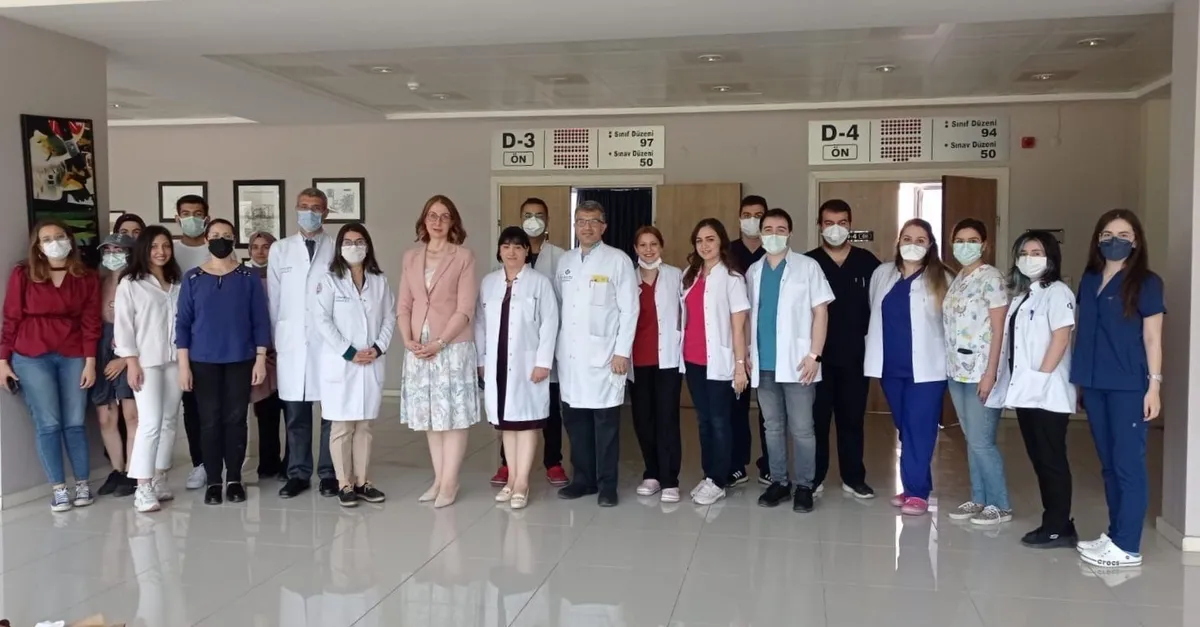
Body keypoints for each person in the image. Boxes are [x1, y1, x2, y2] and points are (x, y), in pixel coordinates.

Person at [1071, 210, 1164, 567]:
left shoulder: (1146, 282)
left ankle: (1128, 546)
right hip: (1095, 384)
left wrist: (1154, 386)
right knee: (1108, 464)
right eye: (1107, 234)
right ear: (1097, 239)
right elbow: (1084, 331)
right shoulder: (1090, 279)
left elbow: (1152, 338)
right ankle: (1115, 534)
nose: (1115, 240)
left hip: (1128, 385)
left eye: (1124, 234)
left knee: (1128, 465)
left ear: (1136, 241)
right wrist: (1082, 383)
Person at [985, 230, 1078, 548]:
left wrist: (1040, 379)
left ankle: (1058, 527)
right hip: (1028, 392)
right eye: (1024, 253)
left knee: (1051, 460)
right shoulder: (1024, 295)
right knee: (1039, 459)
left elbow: (1061, 338)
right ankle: (1054, 521)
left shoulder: (1058, 292)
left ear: (1051, 258)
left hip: (1047, 393)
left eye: (1037, 253)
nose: (1029, 259)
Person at [0, 220, 100, 511]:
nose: (54, 242)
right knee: (48, 423)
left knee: (75, 422)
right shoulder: (23, 274)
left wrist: (90, 361)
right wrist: (3, 359)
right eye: (47, 239)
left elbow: (91, 322)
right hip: (31, 355)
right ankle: (59, 489)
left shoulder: (86, 277)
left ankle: (82, 484)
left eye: (59, 236)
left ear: (70, 240)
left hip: (73, 354)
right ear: (38, 247)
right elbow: (11, 318)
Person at [176, 219, 270, 505]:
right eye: (215, 235)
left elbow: (260, 320)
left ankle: (234, 479)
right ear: (206, 239)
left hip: (240, 359)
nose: (220, 240)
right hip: (202, 361)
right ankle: (214, 480)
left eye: (226, 235)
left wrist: (260, 359)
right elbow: (183, 325)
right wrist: (183, 366)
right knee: (209, 421)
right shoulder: (193, 278)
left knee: (235, 420)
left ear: (234, 240)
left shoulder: (248, 277)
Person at [747, 209, 833, 513]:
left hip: (799, 363)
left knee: (802, 428)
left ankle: (805, 485)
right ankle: (780, 481)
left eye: (780, 229)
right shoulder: (753, 271)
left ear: (790, 233)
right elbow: (747, 317)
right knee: (772, 426)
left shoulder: (807, 267)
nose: (774, 235)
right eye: (768, 229)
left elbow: (821, 312)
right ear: (760, 233)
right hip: (764, 363)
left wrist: (814, 355)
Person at [398, 195, 481, 508]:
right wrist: (407, 339)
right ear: (424, 220)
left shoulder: (463, 257)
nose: (437, 221)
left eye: (444, 216)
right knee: (430, 416)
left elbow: (465, 308)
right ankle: (438, 478)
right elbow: (404, 304)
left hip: (452, 345)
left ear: (453, 222)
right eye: (432, 215)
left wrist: (441, 342)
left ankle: (450, 482)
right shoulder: (410, 257)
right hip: (419, 347)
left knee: (453, 415)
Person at [864, 218, 950, 517]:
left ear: (930, 245)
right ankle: (914, 484)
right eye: (907, 238)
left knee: (920, 429)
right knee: (905, 428)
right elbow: (873, 309)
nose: (913, 244)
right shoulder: (882, 273)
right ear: (898, 241)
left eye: (920, 240)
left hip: (927, 369)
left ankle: (917, 492)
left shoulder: (943, 278)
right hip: (891, 367)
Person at [555, 200, 638, 507]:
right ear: (575, 226)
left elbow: (630, 309)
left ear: (604, 226)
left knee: (605, 425)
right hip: (571, 358)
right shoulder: (565, 261)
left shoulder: (618, 260)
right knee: (575, 422)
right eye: (581, 221)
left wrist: (622, 352)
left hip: (606, 357)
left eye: (593, 221)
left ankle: (607, 485)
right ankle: (583, 479)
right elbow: (560, 307)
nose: (587, 227)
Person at [476, 227, 559, 510]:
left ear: (527, 251)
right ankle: (511, 478)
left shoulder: (540, 283)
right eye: (506, 246)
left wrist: (543, 362)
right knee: (507, 426)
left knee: (526, 425)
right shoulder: (489, 282)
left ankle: (522, 482)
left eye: (518, 246)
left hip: (528, 364)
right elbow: (479, 323)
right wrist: (481, 360)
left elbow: (550, 323)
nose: (511, 252)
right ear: (499, 251)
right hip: (497, 362)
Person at [315, 223, 395, 508]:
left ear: (368, 245)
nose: (354, 246)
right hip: (342, 364)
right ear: (339, 248)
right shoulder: (329, 280)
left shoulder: (379, 281)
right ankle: (344, 484)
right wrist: (348, 352)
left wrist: (378, 347)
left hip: (370, 362)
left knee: (364, 427)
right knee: (341, 428)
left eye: (359, 241)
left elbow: (390, 317)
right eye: (348, 242)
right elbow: (322, 320)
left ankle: (362, 482)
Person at [490, 197, 569, 489]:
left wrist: (546, 355)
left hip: (548, 344)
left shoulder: (560, 257)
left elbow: (559, 305)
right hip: (514, 347)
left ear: (547, 221)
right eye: (527, 214)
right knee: (510, 403)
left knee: (550, 407)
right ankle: (507, 463)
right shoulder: (507, 258)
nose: (533, 219)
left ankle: (553, 461)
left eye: (538, 215)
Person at [806, 199, 879, 498]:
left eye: (842, 223)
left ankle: (853, 477)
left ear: (850, 225)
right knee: (817, 421)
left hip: (855, 356)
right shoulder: (808, 263)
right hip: (817, 357)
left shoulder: (868, 262)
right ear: (819, 225)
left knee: (852, 419)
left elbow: (879, 307)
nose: (835, 229)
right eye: (829, 223)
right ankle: (814, 476)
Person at [942, 219, 1012, 526]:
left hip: (981, 371)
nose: (965, 246)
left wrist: (990, 373)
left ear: (984, 244)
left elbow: (999, 330)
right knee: (971, 438)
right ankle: (979, 497)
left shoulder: (991, 278)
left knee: (982, 441)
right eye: (959, 240)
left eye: (972, 240)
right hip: (957, 371)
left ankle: (1001, 504)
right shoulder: (959, 276)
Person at [271, 189, 338, 499]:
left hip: (328, 343)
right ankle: (298, 473)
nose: (309, 212)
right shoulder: (280, 249)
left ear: (326, 212)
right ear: (296, 209)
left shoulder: (336, 247)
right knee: (296, 414)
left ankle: (329, 472)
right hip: (292, 343)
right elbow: (274, 300)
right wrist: (274, 341)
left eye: (316, 207)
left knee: (331, 412)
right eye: (304, 207)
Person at [681, 218, 750, 506]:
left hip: (720, 360)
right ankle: (709, 474)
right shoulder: (690, 274)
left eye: (710, 239)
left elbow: (739, 326)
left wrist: (740, 364)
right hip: (693, 359)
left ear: (721, 241)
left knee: (720, 420)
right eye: (699, 240)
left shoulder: (732, 278)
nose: (704, 245)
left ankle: (719, 480)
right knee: (704, 420)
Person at [114, 225, 183, 513]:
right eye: (154, 246)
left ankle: (159, 477)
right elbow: (123, 327)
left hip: (175, 361)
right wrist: (131, 362)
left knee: (169, 421)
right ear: (144, 249)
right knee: (150, 422)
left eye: (166, 246)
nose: (161, 252)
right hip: (146, 362)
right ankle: (142, 487)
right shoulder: (131, 283)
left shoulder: (177, 282)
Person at [628, 226, 684, 504]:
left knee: (667, 419)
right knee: (643, 419)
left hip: (668, 360)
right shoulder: (628, 278)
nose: (648, 250)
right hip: (637, 359)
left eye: (653, 244)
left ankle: (670, 478)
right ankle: (651, 473)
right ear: (635, 249)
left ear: (661, 246)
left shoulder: (676, 276)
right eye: (643, 245)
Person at [93, 233, 139, 499]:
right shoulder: (98, 283)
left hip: (129, 351)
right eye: (108, 250)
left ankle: (134, 471)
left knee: (131, 415)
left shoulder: (138, 283)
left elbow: (147, 325)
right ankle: (117, 469)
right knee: (106, 415)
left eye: (118, 250)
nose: (113, 254)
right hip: (100, 349)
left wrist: (124, 357)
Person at [172, 194, 211, 491]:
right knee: (192, 407)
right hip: (180, 340)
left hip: (210, 341)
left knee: (218, 407)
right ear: (177, 218)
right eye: (186, 214)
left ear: (206, 218)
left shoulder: (215, 249)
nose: (192, 219)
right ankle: (200, 463)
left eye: (198, 214)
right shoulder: (168, 251)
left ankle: (221, 460)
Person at [729, 195, 767, 485]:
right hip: (735, 339)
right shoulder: (728, 252)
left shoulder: (775, 252)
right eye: (746, 215)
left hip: (767, 339)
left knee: (770, 408)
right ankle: (737, 463)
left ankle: (770, 463)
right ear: (739, 218)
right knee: (736, 405)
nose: (752, 220)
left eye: (758, 215)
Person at [247, 231, 287, 481]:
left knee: (291, 411)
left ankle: (292, 462)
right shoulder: (244, 277)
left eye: (266, 247)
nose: (261, 252)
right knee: (265, 412)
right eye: (255, 247)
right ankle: (268, 462)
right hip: (260, 354)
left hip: (286, 351)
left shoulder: (283, 275)